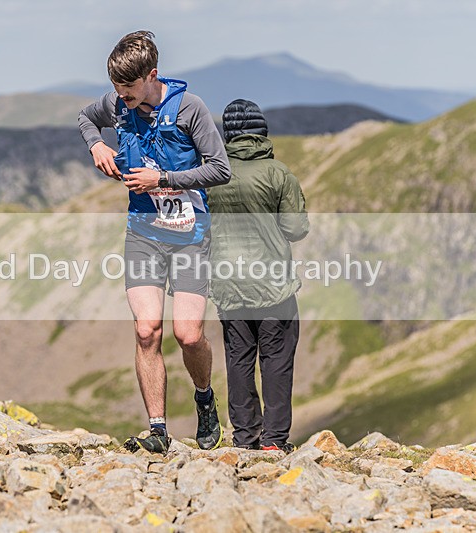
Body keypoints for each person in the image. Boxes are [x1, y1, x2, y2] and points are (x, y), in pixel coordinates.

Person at [78, 30, 231, 454]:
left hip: (189, 235)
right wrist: (97, 145)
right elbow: (85, 118)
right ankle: (158, 429)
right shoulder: (116, 104)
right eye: (116, 87)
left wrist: (162, 178)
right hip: (143, 233)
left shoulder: (190, 109)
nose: (121, 96)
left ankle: (204, 398)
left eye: (129, 86)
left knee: (188, 335)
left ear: (152, 75)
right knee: (147, 330)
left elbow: (220, 170)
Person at [207, 99, 309, 452]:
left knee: (239, 360)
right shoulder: (278, 174)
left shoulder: (212, 175)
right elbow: (296, 229)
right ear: (262, 131)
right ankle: (274, 440)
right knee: (276, 360)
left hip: (228, 284)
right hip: (273, 286)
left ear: (226, 135)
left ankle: (245, 437)